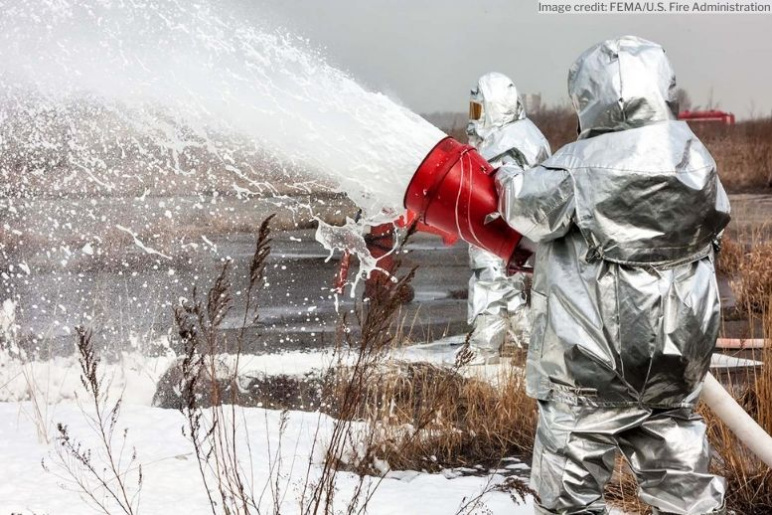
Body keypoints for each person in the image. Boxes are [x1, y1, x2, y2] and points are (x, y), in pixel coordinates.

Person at [495, 37, 731, 514]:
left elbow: (522, 207)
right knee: (684, 485)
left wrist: (503, 173)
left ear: (589, 96)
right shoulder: (695, 160)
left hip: (589, 371)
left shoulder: (577, 166)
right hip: (673, 363)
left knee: (568, 499)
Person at [464, 72, 551, 365]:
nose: (474, 118)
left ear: (494, 106)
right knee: (510, 285)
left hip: (500, 227)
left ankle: (485, 349)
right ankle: (522, 340)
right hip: (523, 229)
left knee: (488, 276)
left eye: (478, 110)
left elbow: (499, 189)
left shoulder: (505, 141)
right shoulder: (524, 132)